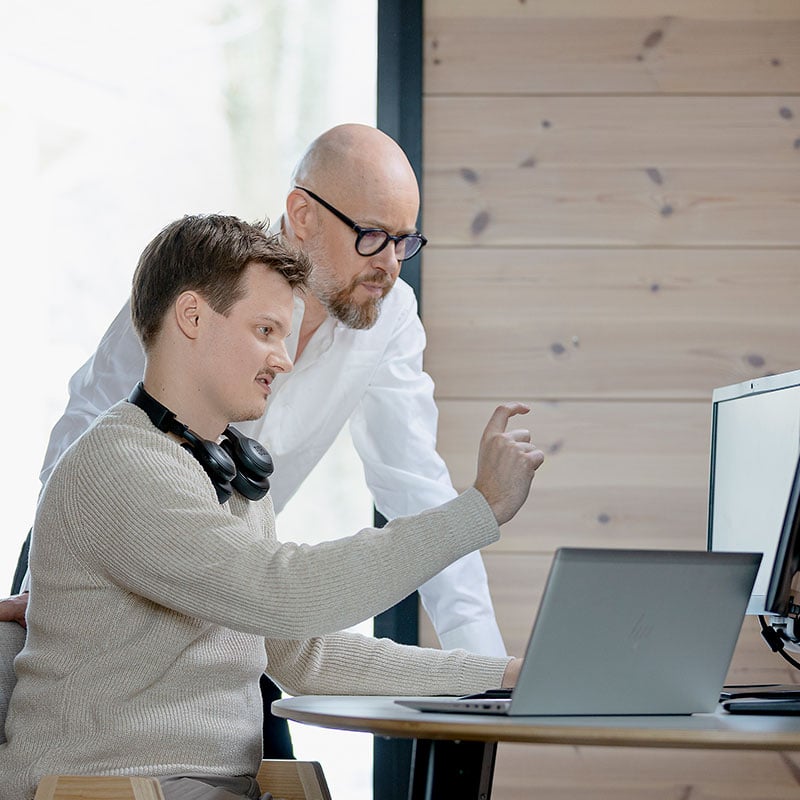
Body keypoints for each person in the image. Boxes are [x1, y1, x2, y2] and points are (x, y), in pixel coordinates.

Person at [1, 123, 507, 756]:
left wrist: (493, 677)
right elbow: (91, 444)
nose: (391, 262)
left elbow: (415, 487)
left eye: (406, 241)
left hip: (243, 566)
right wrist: (52, 581)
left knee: (249, 753)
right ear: (302, 215)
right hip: (117, 541)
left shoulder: (388, 317)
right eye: (374, 236)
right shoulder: (207, 286)